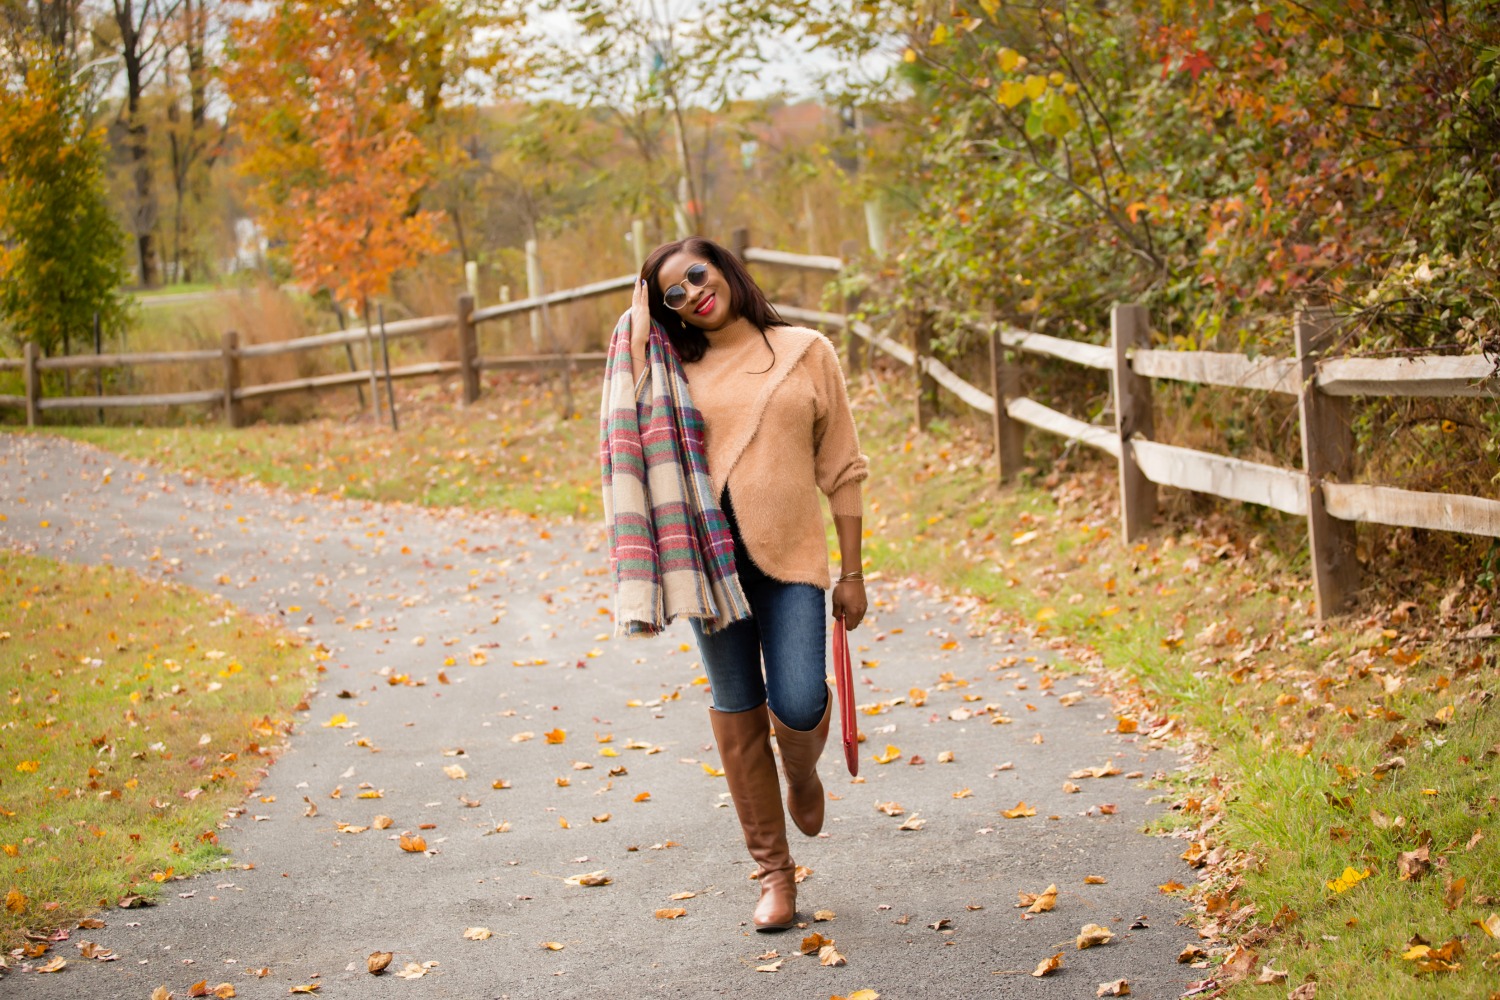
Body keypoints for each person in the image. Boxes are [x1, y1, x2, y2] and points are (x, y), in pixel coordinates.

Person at [623, 237, 869, 932]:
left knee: (798, 702)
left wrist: (852, 572)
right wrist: (639, 323)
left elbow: (844, 468)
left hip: (791, 563)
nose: (693, 294)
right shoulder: (671, 371)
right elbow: (629, 415)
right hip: (710, 571)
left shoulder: (806, 351)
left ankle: (801, 771)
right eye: (673, 293)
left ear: (725, 269)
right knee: (737, 714)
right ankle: (774, 875)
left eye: (698, 275)